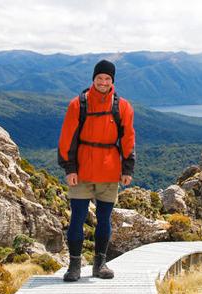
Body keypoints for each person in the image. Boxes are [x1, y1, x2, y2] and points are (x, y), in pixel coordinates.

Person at [57, 59, 136, 282]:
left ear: (112, 81)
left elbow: (128, 139)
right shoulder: (78, 104)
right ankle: (74, 266)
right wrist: (69, 168)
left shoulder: (122, 107)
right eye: (99, 78)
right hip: (81, 170)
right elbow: (67, 138)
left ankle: (99, 265)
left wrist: (127, 168)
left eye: (107, 79)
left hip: (110, 170)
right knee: (77, 219)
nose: (103, 82)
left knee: (104, 220)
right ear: (93, 79)